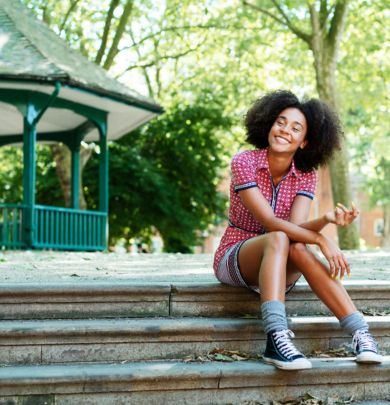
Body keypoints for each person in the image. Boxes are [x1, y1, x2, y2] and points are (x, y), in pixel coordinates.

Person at [213, 90, 383, 371]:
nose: (284, 130)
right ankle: (275, 337)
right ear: (269, 124)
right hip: (236, 257)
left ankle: (361, 333)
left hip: (281, 263)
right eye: (280, 122)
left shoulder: (306, 174)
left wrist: (326, 219)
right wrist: (321, 239)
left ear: (304, 141)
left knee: (294, 245)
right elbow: (270, 223)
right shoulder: (245, 163)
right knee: (279, 236)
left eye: (295, 128)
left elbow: (297, 228)